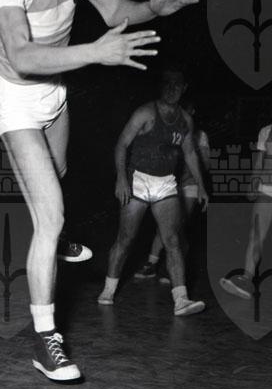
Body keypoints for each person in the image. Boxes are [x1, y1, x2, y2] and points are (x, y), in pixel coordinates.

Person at [0, 0, 199, 381]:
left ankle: (52, 235)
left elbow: (114, 10)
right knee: (51, 215)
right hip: (15, 101)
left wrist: (150, 8)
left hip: (54, 95)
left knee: (55, 182)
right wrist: (97, 53)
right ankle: (47, 340)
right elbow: (22, 55)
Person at [97, 68, 208, 316]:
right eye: (168, 83)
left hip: (166, 182)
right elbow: (121, 144)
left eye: (177, 84)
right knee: (125, 239)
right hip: (138, 181)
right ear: (161, 85)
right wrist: (121, 179)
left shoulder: (185, 120)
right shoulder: (145, 112)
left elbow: (190, 153)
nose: (172, 89)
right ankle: (108, 290)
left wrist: (201, 185)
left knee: (173, 240)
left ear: (184, 88)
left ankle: (181, 300)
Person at [134, 98, 210, 282]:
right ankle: (152, 264)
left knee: (177, 227)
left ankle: (172, 269)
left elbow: (206, 164)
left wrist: (193, 174)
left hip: (189, 186)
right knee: (165, 226)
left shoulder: (200, 136)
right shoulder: (167, 130)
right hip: (168, 183)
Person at [219, 122, 272, 298]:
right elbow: (260, 161)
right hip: (267, 191)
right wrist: (253, 183)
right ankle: (246, 280)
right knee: (256, 235)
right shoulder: (266, 131)